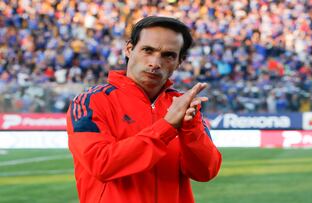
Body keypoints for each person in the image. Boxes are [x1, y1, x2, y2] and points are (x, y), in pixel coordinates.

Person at [66, 16, 222, 203]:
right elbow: (101, 164)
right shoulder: (91, 101)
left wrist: (190, 128)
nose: (155, 63)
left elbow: (206, 171)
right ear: (129, 49)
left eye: (168, 55)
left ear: (179, 61)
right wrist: (167, 126)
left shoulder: (183, 105)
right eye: (148, 50)